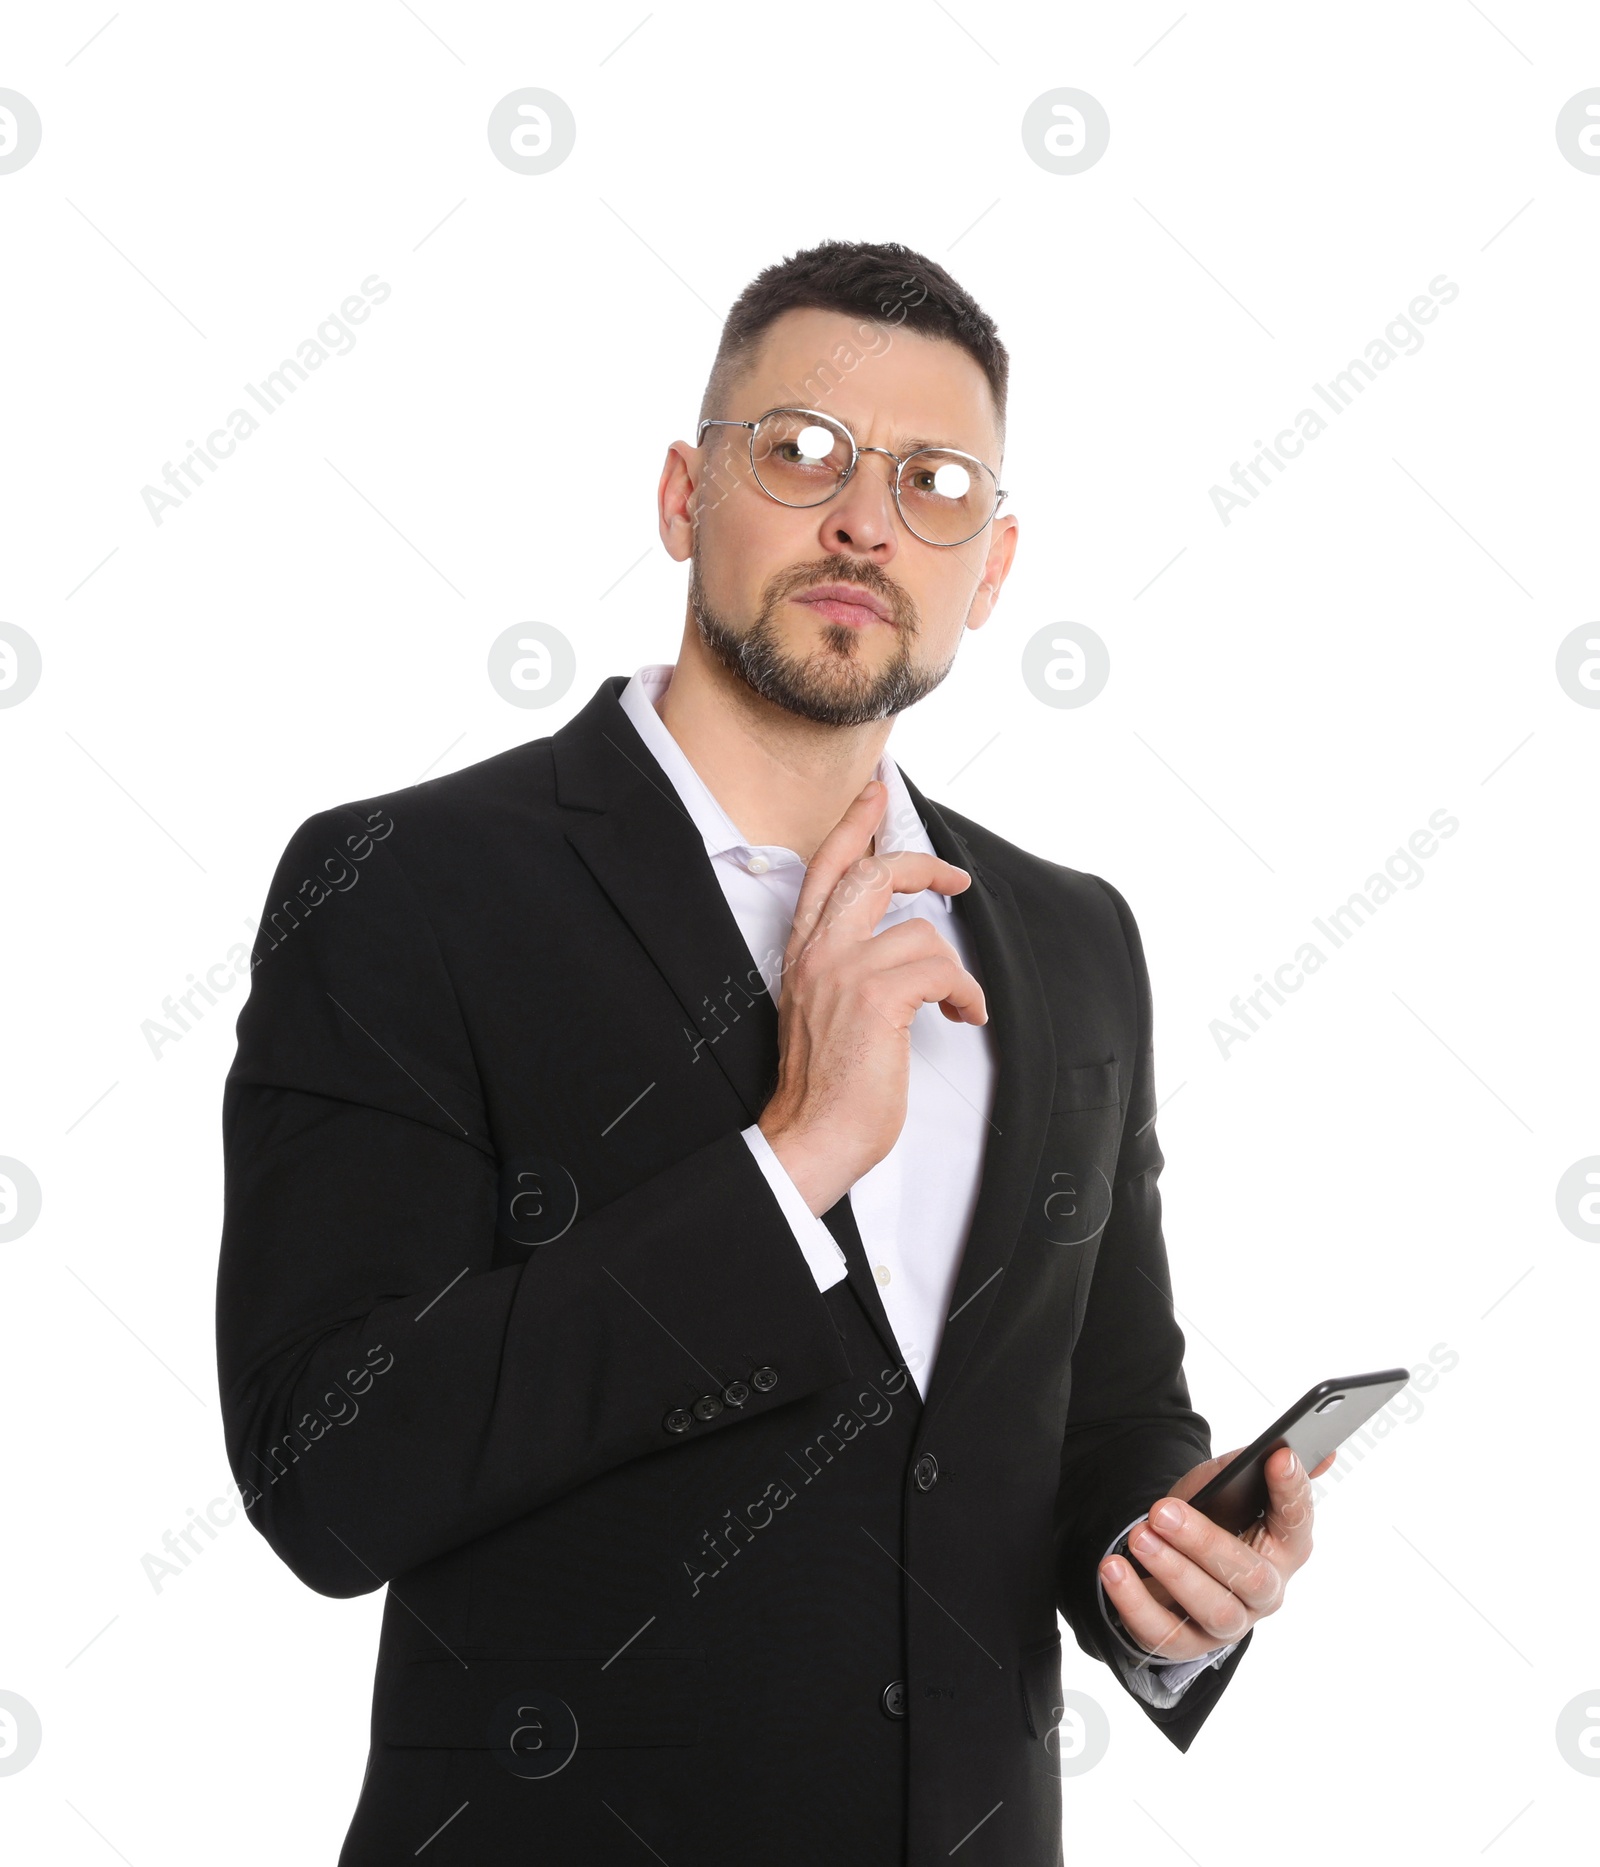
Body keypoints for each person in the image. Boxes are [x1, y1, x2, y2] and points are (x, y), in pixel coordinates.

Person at [216, 240, 1321, 1867]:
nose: (866, 521)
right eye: (801, 453)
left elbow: (1096, 1426)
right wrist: (788, 1160)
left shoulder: (1075, 938)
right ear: (683, 496)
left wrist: (1173, 1576)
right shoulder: (407, 888)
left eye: (934, 483)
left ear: (993, 567)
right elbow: (330, 1474)